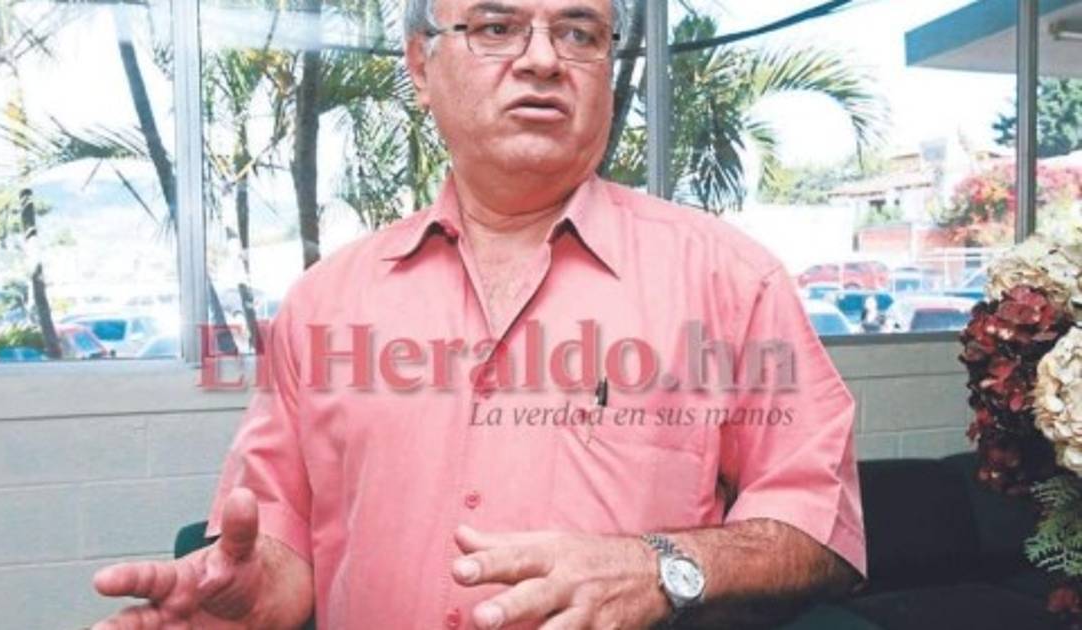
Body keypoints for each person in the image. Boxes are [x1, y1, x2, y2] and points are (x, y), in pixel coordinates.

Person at [92, 0, 866, 627]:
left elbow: (819, 532)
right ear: (421, 65)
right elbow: (285, 546)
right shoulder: (323, 304)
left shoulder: (730, 281)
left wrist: (658, 566)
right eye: (497, 27)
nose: (543, 59)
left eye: (579, 32)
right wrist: (255, 591)